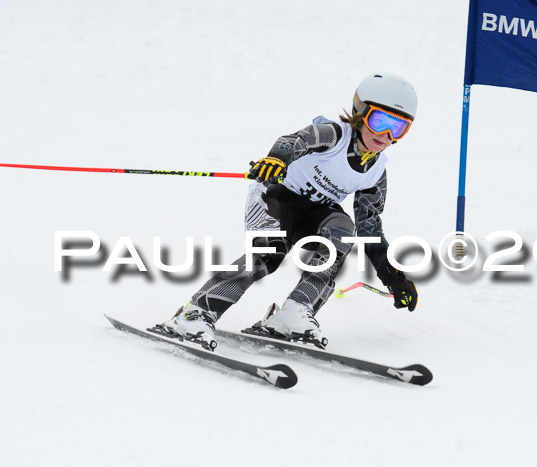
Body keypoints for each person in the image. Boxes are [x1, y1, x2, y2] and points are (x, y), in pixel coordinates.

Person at [161, 72, 419, 349]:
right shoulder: (333, 135)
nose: (386, 135)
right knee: (269, 254)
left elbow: (371, 229)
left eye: (399, 127)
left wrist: (393, 277)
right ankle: (196, 313)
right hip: (276, 198)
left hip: (316, 214)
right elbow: (293, 141)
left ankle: (293, 313)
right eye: (379, 121)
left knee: (344, 230)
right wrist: (275, 160)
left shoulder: (375, 173)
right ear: (360, 113)